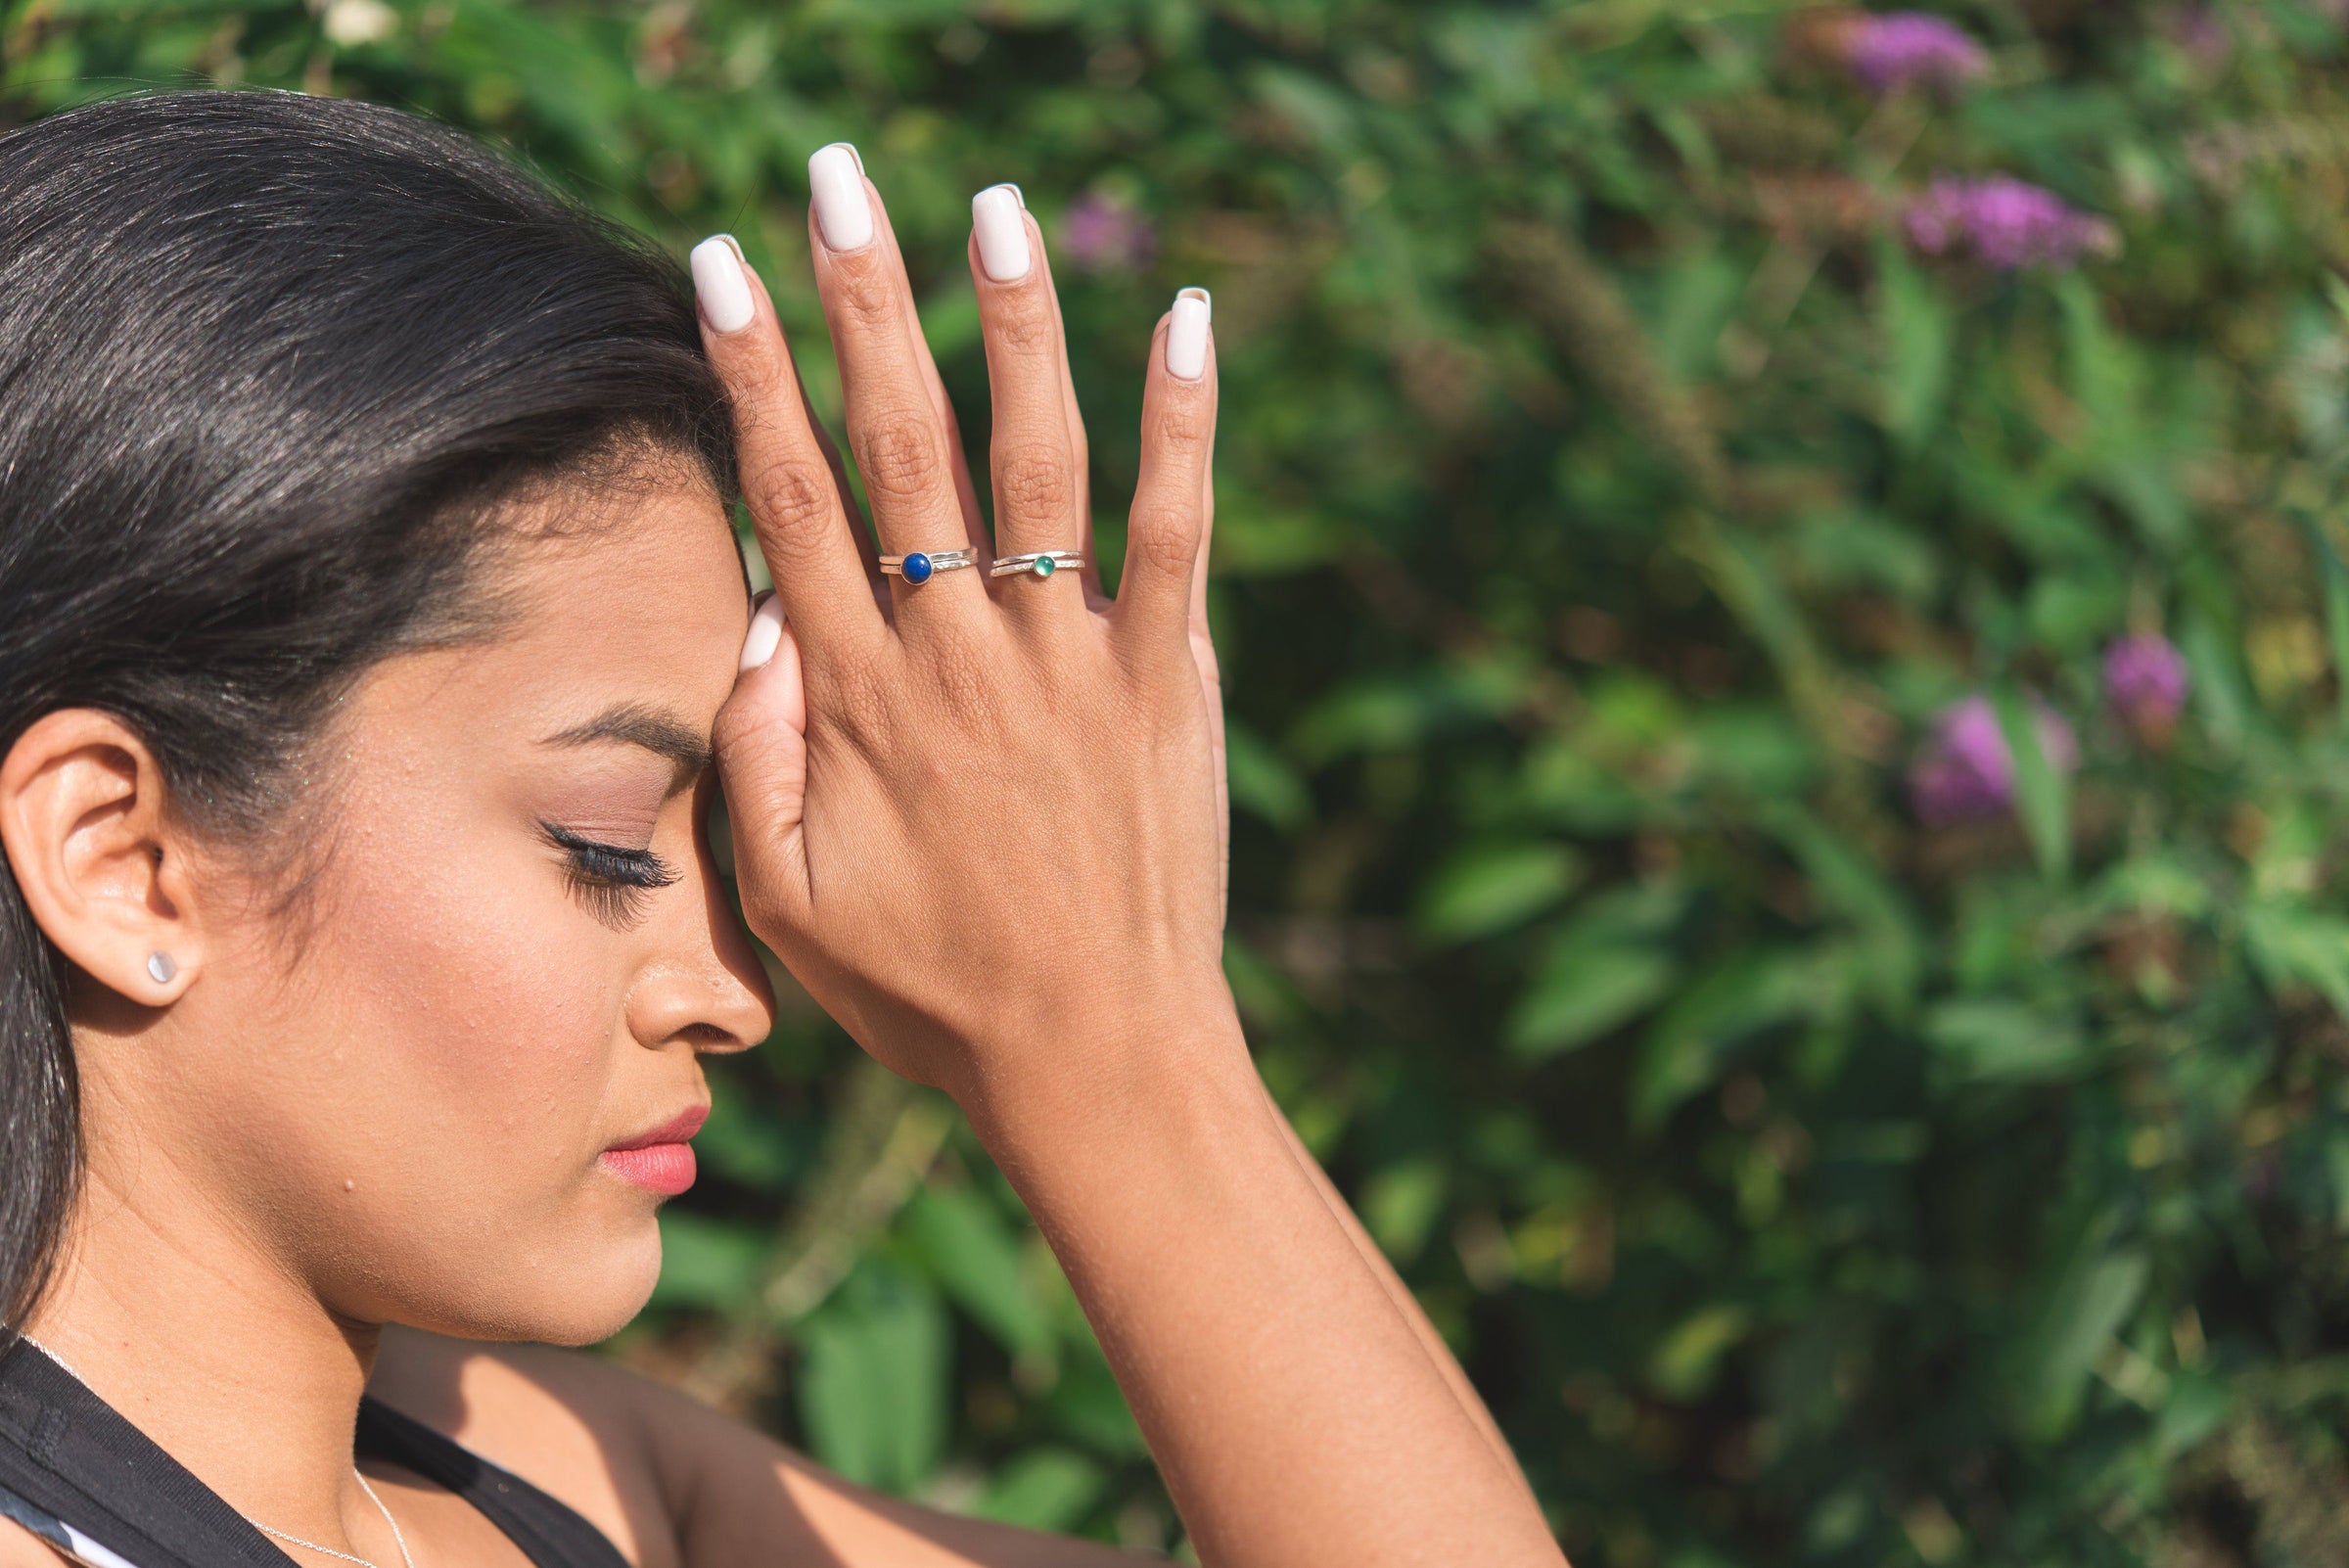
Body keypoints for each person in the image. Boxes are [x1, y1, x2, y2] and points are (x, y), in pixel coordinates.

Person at [0, 90, 1563, 1568]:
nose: (733, 991)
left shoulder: (557, 1477)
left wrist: (1121, 1028)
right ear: (120, 856)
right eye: (607, 840)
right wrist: (1111, 1041)